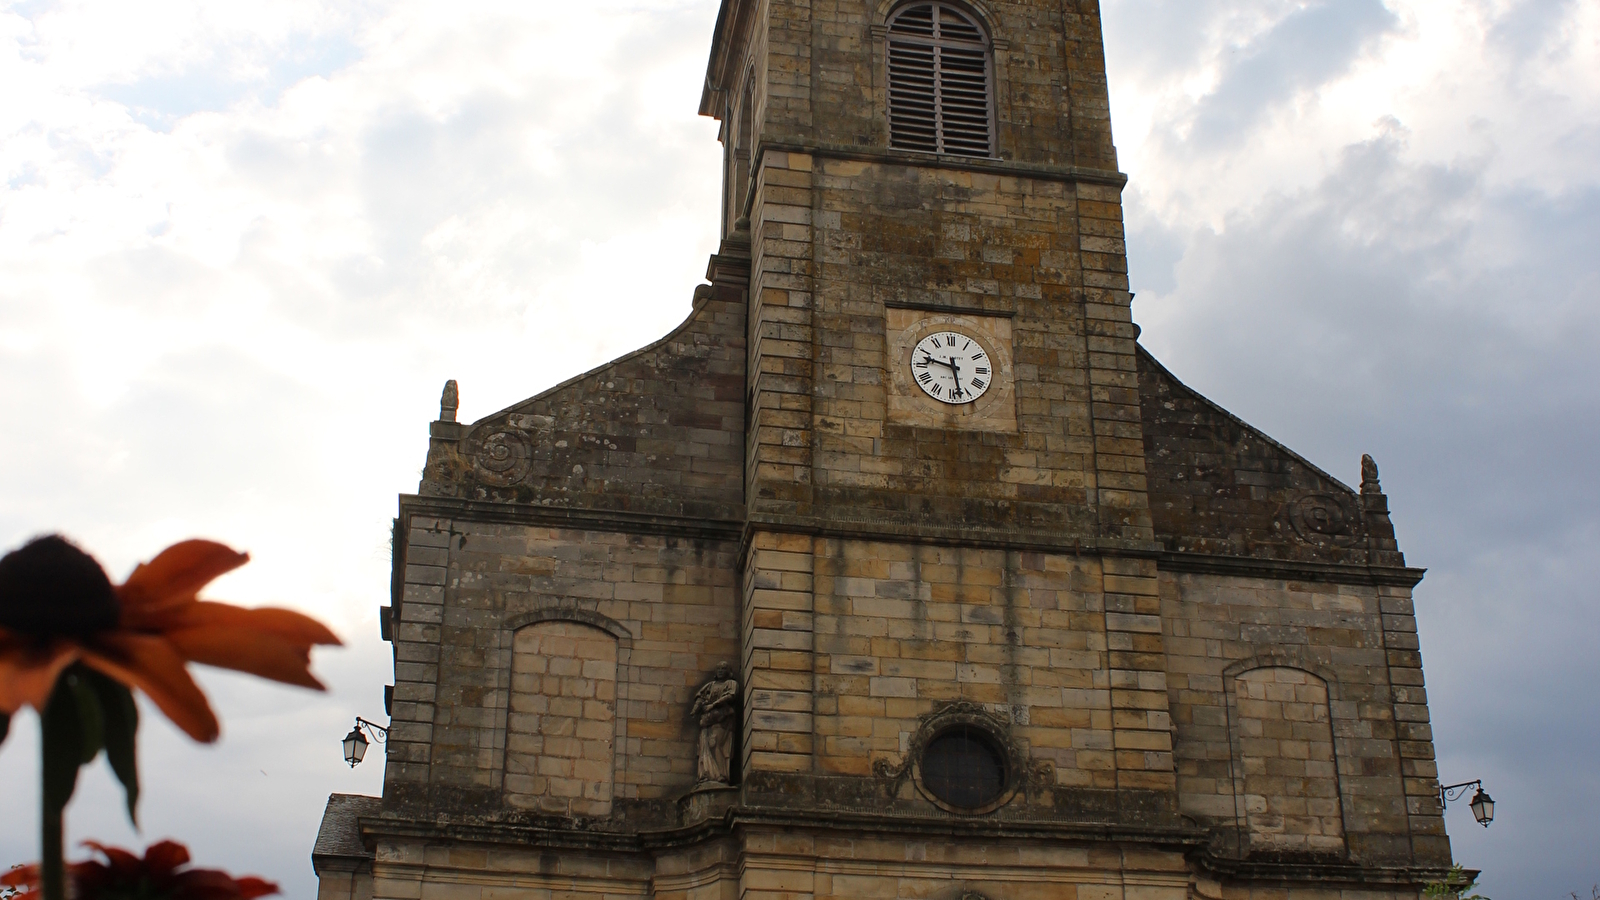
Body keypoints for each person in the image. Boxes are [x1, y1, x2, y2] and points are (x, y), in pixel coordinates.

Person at [690, 663, 738, 784]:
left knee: (716, 744)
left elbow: (730, 696)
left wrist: (713, 705)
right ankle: (706, 774)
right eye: (719, 669)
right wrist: (695, 710)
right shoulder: (710, 685)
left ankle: (721, 774)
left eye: (724, 668)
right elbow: (700, 697)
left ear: (729, 671)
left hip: (722, 718)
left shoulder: (731, 683)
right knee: (704, 746)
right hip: (707, 720)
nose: (721, 671)